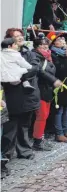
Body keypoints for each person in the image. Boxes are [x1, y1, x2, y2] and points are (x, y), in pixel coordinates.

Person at [1, 28, 40, 161]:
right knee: (10, 127)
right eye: (15, 36)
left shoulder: (28, 53)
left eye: (20, 35)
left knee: (24, 125)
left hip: (27, 95)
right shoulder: (4, 55)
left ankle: (24, 151)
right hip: (10, 94)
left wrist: (19, 75)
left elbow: (35, 68)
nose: (19, 38)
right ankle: (6, 154)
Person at [31, 37, 62, 151]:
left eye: (46, 46)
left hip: (47, 90)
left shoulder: (47, 56)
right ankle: (37, 141)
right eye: (42, 46)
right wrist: (54, 80)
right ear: (36, 47)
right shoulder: (35, 56)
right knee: (41, 116)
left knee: (44, 116)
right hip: (39, 90)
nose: (45, 48)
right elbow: (40, 71)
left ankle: (40, 139)